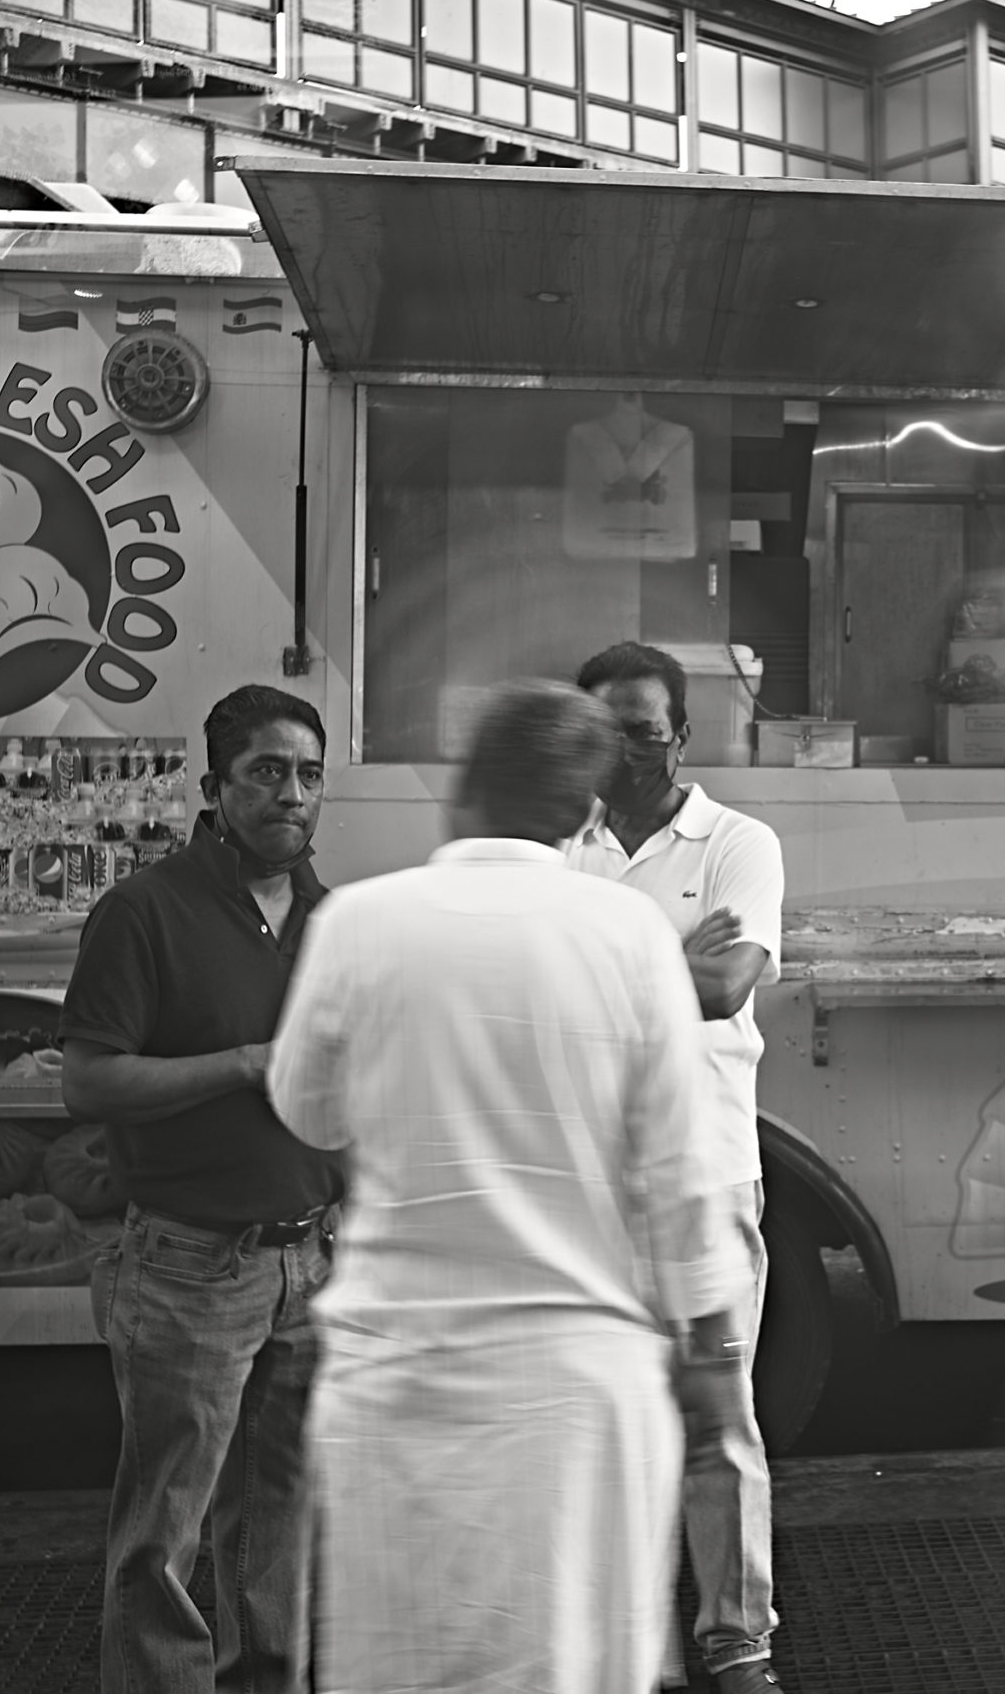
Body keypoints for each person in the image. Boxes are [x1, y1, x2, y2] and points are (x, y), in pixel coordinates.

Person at [268, 678, 745, 1694]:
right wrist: (709, 1340)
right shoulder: (627, 937)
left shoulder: (359, 921)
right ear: (582, 814)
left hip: (400, 1382)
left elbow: (309, 1112)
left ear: (464, 794)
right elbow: (679, 1170)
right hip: (578, 1393)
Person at [59, 684, 342, 1694]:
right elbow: (87, 1081)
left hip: (313, 1260)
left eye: (309, 775)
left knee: (281, 1518)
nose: (292, 795)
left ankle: (268, 1681)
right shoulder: (146, 911)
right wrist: (244, 1063)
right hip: (189, 1266)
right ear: (214, 788)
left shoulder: (334, 917)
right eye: (267, 772)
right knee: (163, 1536)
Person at [569, 641, 786, 1694]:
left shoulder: (740, 842)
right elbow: (542, 999)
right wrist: (670, 958)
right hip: (589, 1185)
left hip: (702, 1173)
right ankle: (628, 1645)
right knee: (599, 1418)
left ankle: (736, 1639)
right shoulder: (561, 846)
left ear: (681, 736)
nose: (625, 753)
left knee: (717, 1422)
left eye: (644, 733)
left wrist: (605, 971)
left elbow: (727, 984)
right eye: (605, 734)